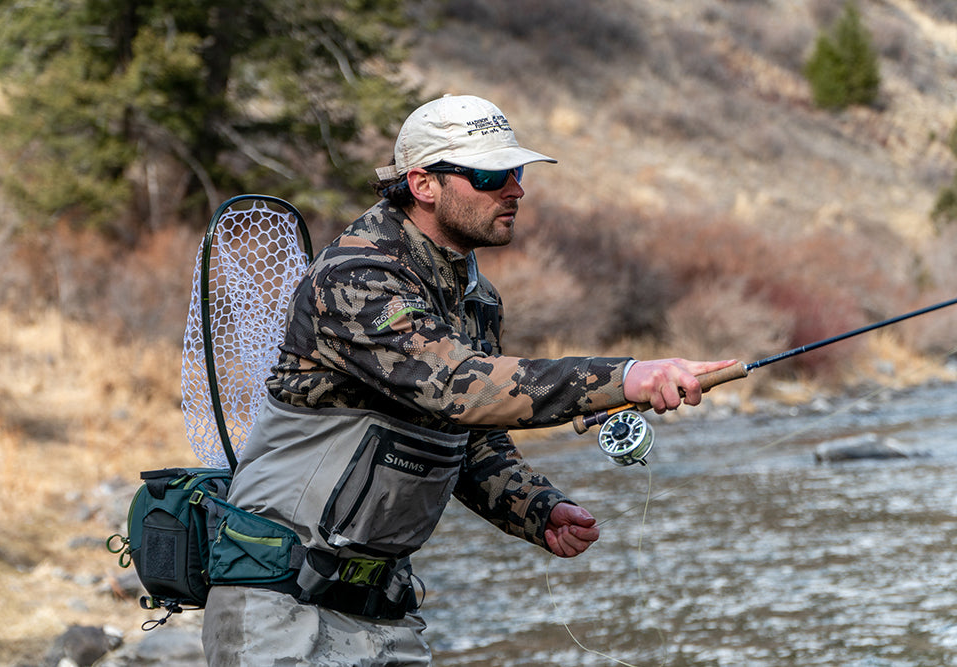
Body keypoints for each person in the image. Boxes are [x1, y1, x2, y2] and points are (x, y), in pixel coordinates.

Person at [201, 94, 736, 666]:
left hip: (383, 611)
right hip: (280, 610)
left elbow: (470, 438)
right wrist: (627, 377)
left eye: (516, 171)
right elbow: (458, 388)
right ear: (423, 183)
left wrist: (537, 509)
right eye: (489, 174)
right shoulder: (358, 276)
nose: (515, 189)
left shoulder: (475, 298)